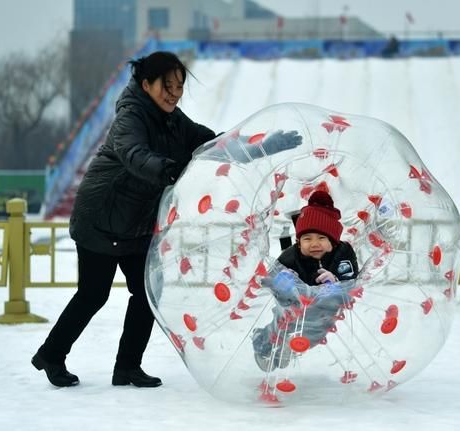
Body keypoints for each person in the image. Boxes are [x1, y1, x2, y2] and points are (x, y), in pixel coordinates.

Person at [32, 51, 301, 388]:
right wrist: (168, 169)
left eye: (179, 86)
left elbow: (214, 144)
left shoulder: (175, 122)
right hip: (100, 218)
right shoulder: (129, 118)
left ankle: (127, 366)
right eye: (167, 85)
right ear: (146, 85)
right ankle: (51, 356)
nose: (174, 92)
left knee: (146, 293)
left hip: (136, 223)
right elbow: (135, 155)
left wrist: (264, 146)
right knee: (93, 294)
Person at [252, 191, 359, 372]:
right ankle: (262, 343)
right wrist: (282, 281)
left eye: (321, 238)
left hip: (325, 308)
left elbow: (351, 280)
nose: (314, 244)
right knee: (281, 324)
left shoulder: (342, 254)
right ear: (299, 242)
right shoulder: (291, 256)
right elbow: (269, 278)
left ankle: (289, 349)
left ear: (333, 241)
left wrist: (335, 280)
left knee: (316, 332)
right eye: (307, 239)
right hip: (295, 305)